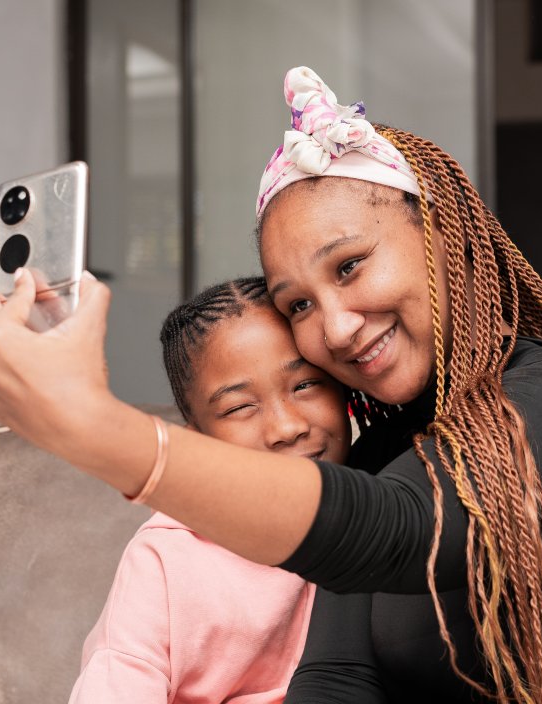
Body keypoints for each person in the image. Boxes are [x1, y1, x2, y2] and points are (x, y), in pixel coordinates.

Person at [0, 67, 542, 704]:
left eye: (350, 266)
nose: (339, 326)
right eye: (299, 305)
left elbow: (400, 534)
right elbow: (338, 677)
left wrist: (95, 430)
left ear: (443, 236)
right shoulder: (386, 443)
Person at [68, 276, 350, 703]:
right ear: (198, 438)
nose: (287, 428)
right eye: (240, 407)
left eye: (306, 384)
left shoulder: (379, 504)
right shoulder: (165, 563)